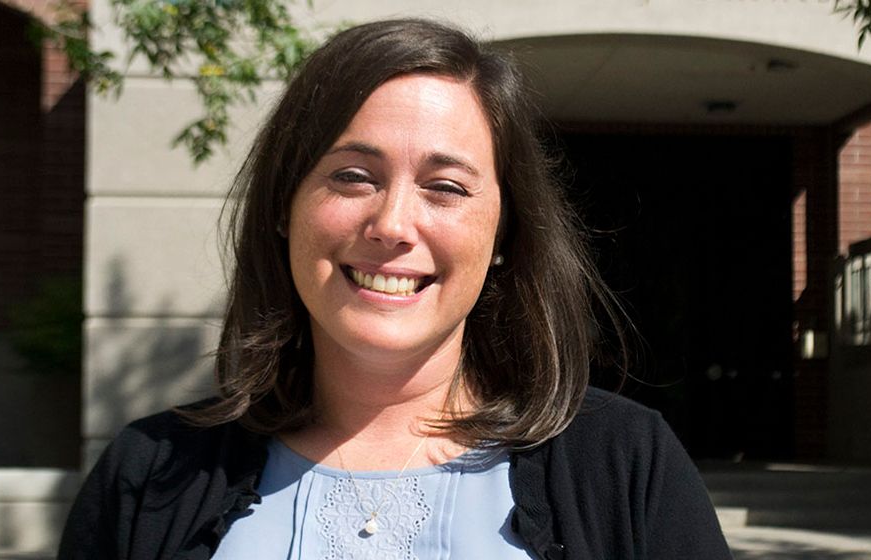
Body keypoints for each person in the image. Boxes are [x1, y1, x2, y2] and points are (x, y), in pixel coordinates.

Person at [58, 18, 732, 560]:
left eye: (445, 187)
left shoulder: (623, 463)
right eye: (353, 175)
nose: (392, 225)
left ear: (503, 236)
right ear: (282, 206)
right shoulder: (147, 473)